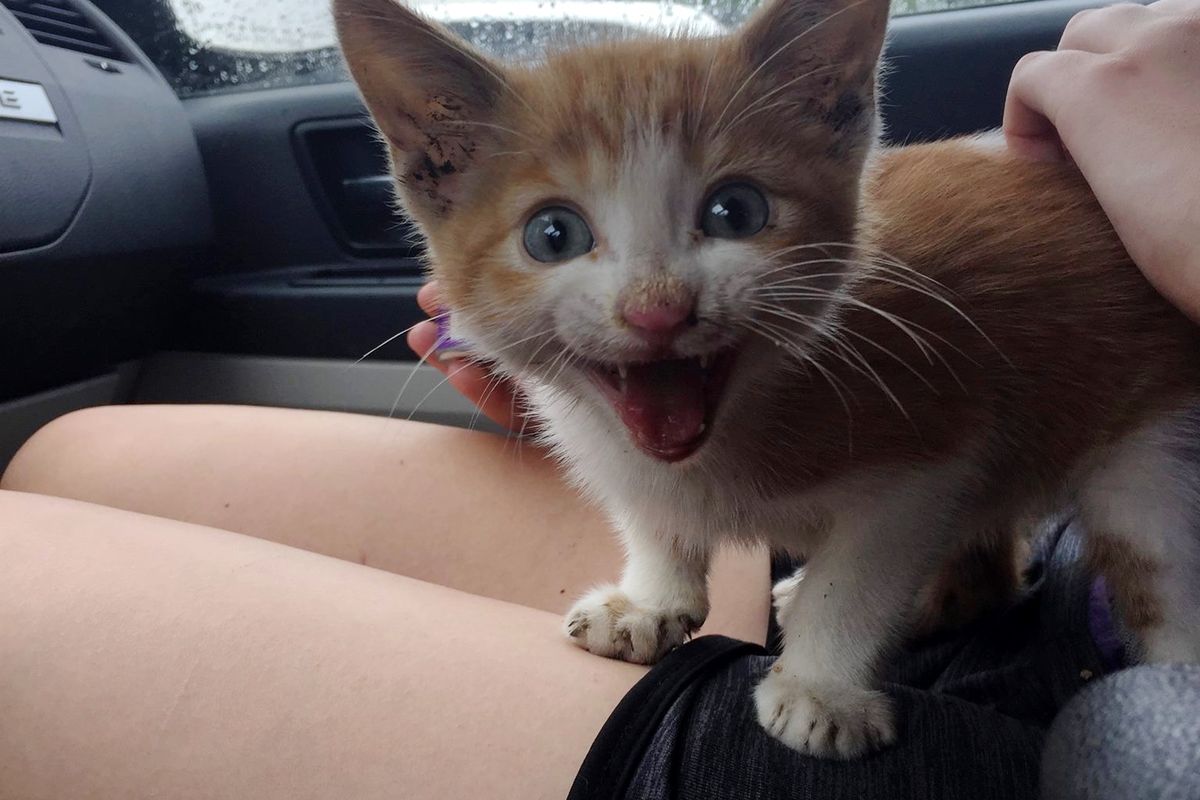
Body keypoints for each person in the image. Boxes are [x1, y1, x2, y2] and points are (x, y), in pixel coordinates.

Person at [1, 1, 1197, 797]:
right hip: (1031, 576)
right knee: (81, 455)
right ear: (432, 169)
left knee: (29, 572)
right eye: (557, 234)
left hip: (1125, 699)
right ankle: (916, 582)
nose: (656, 301)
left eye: (731, 213)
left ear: (845, 116)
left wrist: (826, 654)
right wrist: (640, 506)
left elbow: (923, 461)